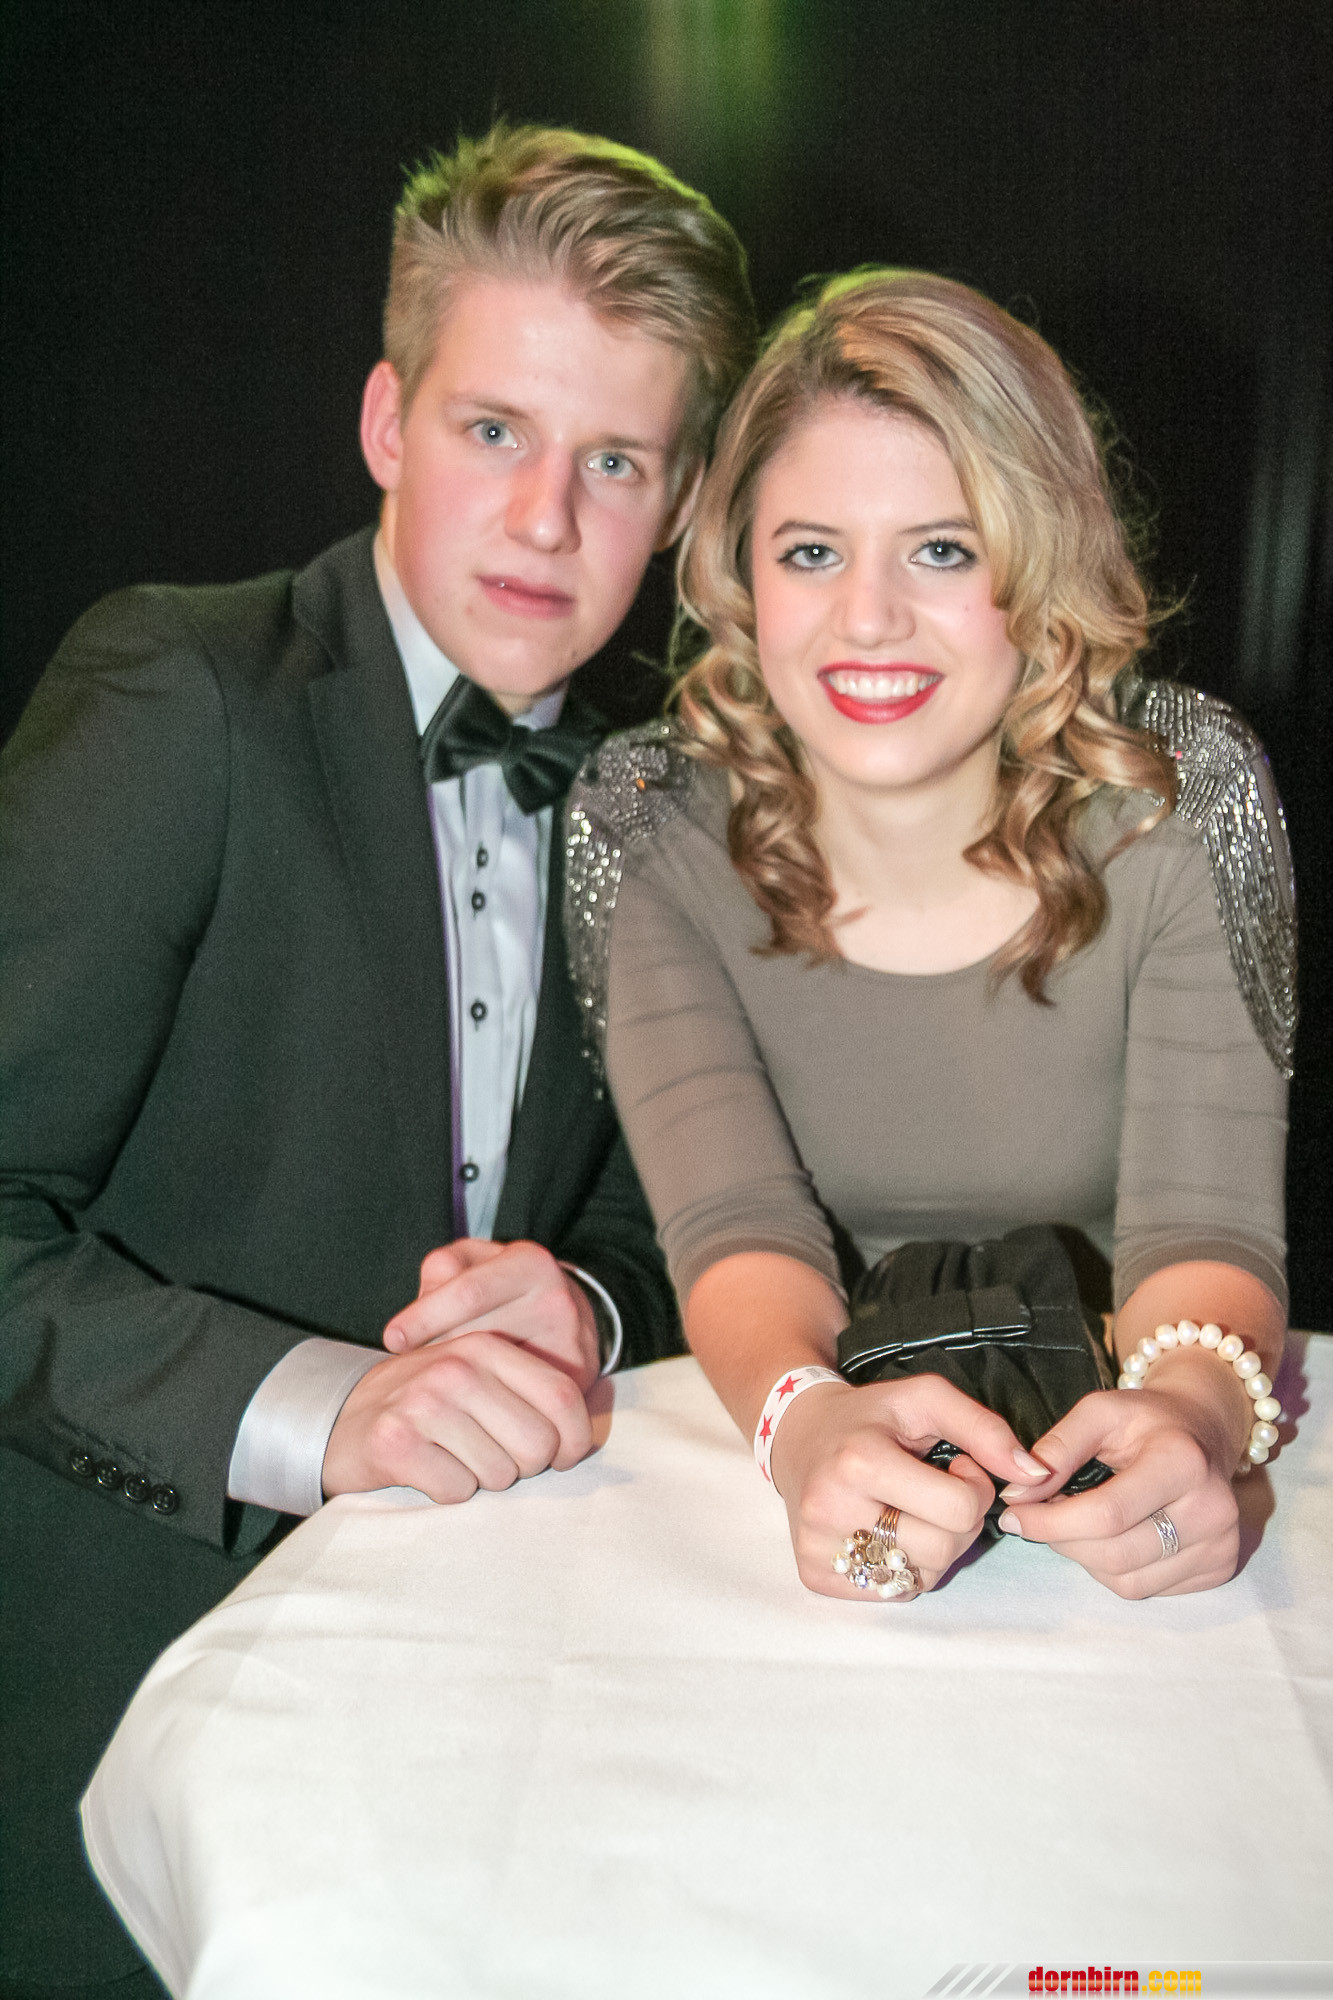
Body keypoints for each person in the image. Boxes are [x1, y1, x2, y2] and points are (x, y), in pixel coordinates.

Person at [0, 125, 755, 1995]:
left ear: (675, 501)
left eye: (614, 461)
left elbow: (673, 1223)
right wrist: (317, 1407)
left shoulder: (659, 796)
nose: (546, 519)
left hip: (483, 1717)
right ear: (385, 422)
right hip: (111, 1716)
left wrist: (584, 1300)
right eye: (496, 429)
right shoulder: (177, 694)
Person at [566, 269, 1294, 1612]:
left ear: (1042, 565)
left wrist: (1190, 1417)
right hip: (810, 1443)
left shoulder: (1183, 796)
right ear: (739, 574)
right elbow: (734, 1225)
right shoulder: (648, 819)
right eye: (811, 551)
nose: (868, 617)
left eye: (943, 550)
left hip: (1116, 1434)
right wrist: (805, 1426)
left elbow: (1202, 1226)